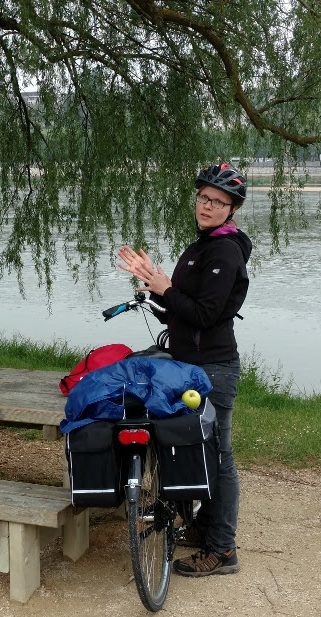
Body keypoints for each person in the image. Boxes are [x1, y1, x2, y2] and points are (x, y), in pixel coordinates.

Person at [116, 164, 252, 576]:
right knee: (203, 450)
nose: (207, 206)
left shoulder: (224, 250)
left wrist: (167, 289)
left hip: (213, 367)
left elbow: (207, 314)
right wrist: (154, 287)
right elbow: (183, 312)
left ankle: (223, 549)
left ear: (231, 209)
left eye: (218, 202)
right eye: (203, 197)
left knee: (220, 455)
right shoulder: (203, 245)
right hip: (189, 364)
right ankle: (204, 527)